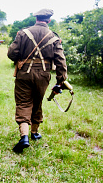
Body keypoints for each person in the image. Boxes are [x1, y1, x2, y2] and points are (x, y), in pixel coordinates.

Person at [7, 9, 67, 153]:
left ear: (36, 18)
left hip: (24, 74)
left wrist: (20, 60)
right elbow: (61, 61)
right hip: (43, 75)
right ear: (49, 20)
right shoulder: (54, 37)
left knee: (23, 103)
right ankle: (34, 132)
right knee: (37, 102)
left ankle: (24, 137)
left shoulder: (23, 33)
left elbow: (11, 53)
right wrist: (60, 81)